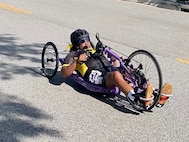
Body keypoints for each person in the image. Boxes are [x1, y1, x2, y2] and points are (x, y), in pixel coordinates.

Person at [61, 29, 172, 110]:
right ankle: (136, 99)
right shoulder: (73, 55)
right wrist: (77, 61)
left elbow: (111, 65)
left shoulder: (95, 50)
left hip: (109, 70)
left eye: (87, 40)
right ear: (76, 45)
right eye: (82, 41)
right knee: (116, 76)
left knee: (130, 71)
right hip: (96, 77)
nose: (86, 43)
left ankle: (154, 93)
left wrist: (115, 60)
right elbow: (65, 73)